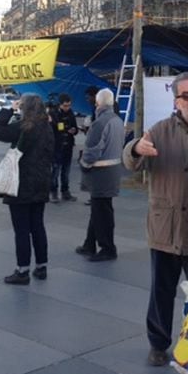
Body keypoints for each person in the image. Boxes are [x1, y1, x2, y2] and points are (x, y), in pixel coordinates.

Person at [122, 72, 188, 367]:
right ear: (176, 100)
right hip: (165, 228)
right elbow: (130, 162)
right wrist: (134, 149)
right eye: (186, 95)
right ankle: (157, 343)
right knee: (161, 291)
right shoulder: (159, 130)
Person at [0, 94, 55, 285]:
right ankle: (41, 266)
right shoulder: (47, 127)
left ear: (24, 108)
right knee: (38, 226)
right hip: (41, 182)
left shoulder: (23, 127)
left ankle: (22, 270)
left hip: (20, 183)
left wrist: (9, 109)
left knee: (22, 230)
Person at [77, 88, 124, 262]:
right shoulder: (117, 120)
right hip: (112, 171)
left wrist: (83, 164)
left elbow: (92, 150)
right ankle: (90, 243)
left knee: (102, 212)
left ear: (98, 103)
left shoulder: (101, 122)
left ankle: (107, 248)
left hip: (100, 173)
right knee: (100, 210)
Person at [49, 92, 78, 203]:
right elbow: (53, 129)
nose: (67, 108)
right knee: (55, 170)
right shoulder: (53, 113)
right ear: (60, 104)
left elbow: (74, 127)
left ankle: (65, 191)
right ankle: (53, 192)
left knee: (66, 171)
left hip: (68, 146)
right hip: (57, 146)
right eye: (65, 106)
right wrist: (65, 130)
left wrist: (74, 130)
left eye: (69, 105)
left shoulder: (70, 113)